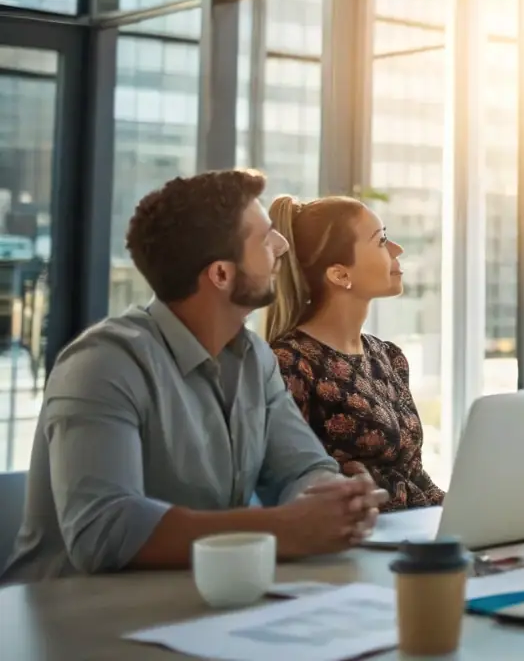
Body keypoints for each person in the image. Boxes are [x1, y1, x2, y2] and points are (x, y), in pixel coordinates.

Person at [2, 170, 387, 584]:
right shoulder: (102, 365)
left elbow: (301, 468)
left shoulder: (255, 358)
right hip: (66, 624)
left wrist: (332, 501)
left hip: (193, 608)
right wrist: (288, 528)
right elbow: (104, 528)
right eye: (264, 239)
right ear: (221, 274)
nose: (282, 245)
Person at [265, 196, 444, 511]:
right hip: (357, 544)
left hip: (416, 534)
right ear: (340, 274)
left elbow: (414, 475)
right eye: (382, 241)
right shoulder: (288, 364)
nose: (397, 250)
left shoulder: (389, 356)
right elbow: (290, 485)